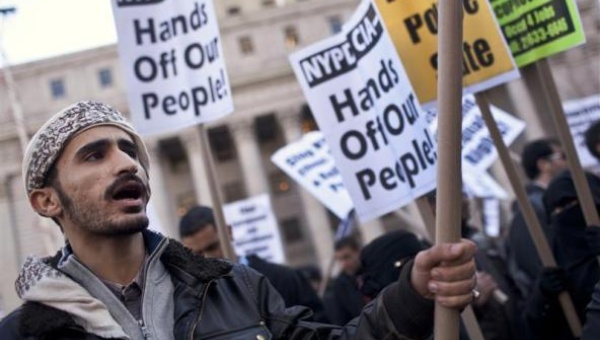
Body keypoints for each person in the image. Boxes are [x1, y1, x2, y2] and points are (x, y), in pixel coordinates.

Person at [0, 101, 477, 339]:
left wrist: (413, 294)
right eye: (94, 155)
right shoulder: (22, 333)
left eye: (129, 150)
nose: (126, 163)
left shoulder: (238, 288)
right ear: (46, 201)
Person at [179, 205, 329, 322]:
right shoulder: (195, 303)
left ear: (228, 232)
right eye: (197, 254)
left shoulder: (284, 279)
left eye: (212, 247)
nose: (207, 258)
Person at [525, 170, 600, 339]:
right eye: (556, 210)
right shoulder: (553, 258)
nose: (563, 213)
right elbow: (536, 329)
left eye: (570, 203)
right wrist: (543, 296)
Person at [506, 139, 568, 298]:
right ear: (544, 164)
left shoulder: (556, 198)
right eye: (562, 156)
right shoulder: (532, 208)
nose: (568, 162)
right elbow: (537, 265)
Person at [324, 237, 365, 325]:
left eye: (347, 257)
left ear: (358, 252)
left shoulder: (373, 271)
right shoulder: (339, 285)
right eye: (340, 259)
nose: (344, 263)